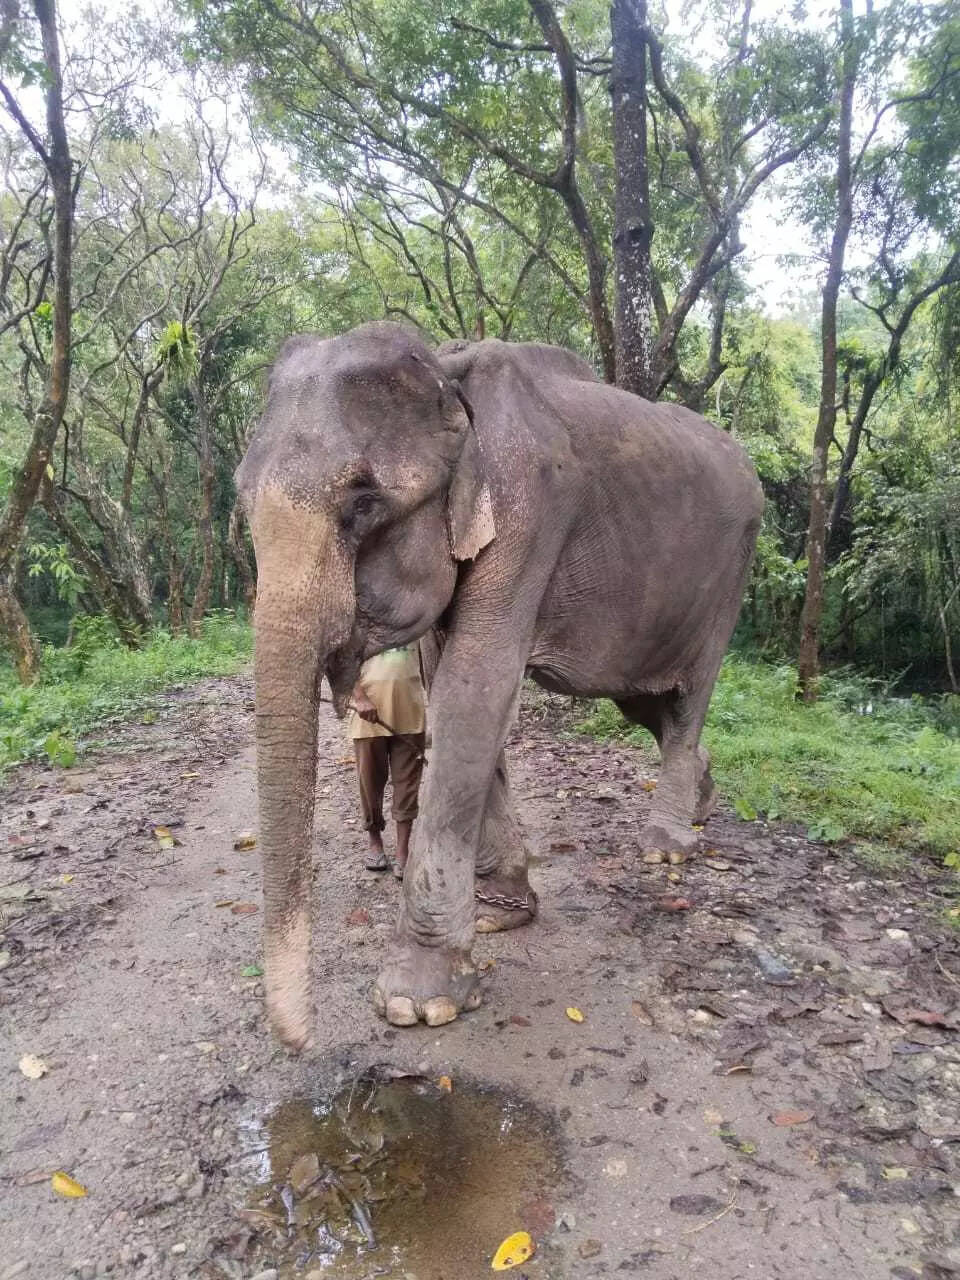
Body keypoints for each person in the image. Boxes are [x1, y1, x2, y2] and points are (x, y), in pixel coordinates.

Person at [349, 643, 427, 878]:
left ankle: (403, 851)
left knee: (407, 786)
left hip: (410, 718)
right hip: (368, 720)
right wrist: (360, 698)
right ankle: (375, 842)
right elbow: (345, 664)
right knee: (370, 785)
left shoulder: (418, 625)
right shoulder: (363, 625)